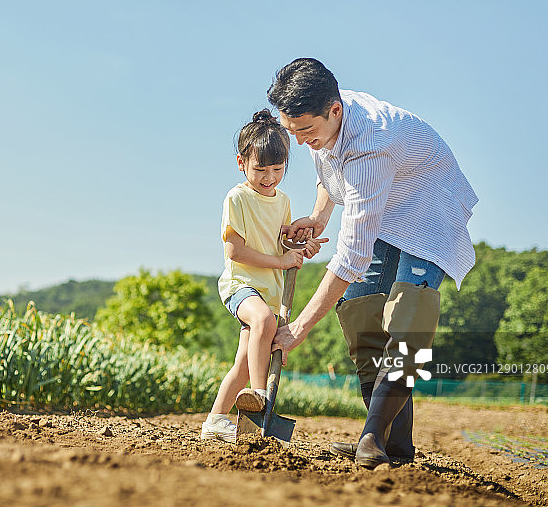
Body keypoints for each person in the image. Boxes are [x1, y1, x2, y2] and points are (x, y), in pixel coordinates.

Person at [267, 58, 478, 468]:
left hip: (429, 208)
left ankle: (371, 437)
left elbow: (351, 256)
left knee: (409, 320)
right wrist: (319, 216)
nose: (301, 141)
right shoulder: (321, 116)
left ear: (335, 110)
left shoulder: (372, 145)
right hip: (386, 204)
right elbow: (330, 167)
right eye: (293, 131)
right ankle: (394, 444)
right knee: (360, 316)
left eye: (306, 131)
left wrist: (298, 328)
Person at [200, 109, 324, 443]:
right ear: (241, 162)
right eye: (260, 169)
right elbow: (235, 252)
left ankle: (215, 420)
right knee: (264, 320)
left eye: (277, 169)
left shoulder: (282, 201)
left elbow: (281, 243)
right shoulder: (237, 197)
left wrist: (302, 246)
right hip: (241, 284)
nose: (269, 177)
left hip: (269, 290)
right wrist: (280, 262)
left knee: (244, 363)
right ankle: (259, 397)